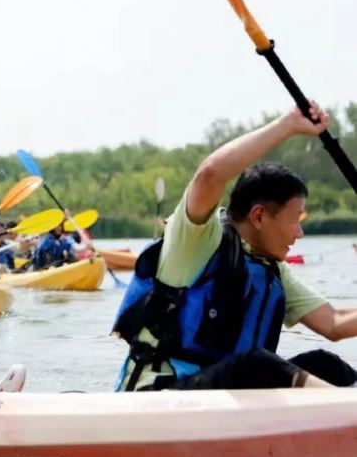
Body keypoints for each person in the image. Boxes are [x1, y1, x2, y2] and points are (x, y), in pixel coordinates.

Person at [113, 102, 357, 391]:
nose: (300, 232)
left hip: (225, 398)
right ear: (259, 216)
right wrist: (289, 125)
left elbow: (334, 323)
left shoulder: (271, 268)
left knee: (325, 365)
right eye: (296, 220)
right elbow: (210, 174)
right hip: (158, 395)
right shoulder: (197, 240)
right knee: (254, 363)